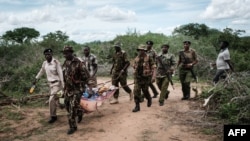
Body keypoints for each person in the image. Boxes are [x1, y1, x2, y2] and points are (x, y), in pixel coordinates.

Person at [61, 46, 90, 134]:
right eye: (64, 53)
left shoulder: (79, 62)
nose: (65, 55)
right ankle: (80, 111)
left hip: (77, 89)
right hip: (68, 89)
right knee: (66, 105)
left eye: (67, 53)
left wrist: (79, 82)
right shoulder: (65, 63)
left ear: (71, 52)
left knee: (72, 108)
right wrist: (64, 89)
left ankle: (73, 127)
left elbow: (87, 76)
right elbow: (65, 77)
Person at [33, 48, 64, 124]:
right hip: (51, 84)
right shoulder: (44, 63)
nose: (47, 56)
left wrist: (63, 85)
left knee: (51, 100)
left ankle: (53, 116)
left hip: (57, 84)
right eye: (46, 55)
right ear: (44, 55)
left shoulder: (56, 63)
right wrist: (36, 78)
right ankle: (62, 103)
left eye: (49, 54)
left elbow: (61, 74)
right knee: (60, 97)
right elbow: (41, 71)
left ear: (52, 55)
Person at [132, 44, 156, 112]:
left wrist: (153, 76)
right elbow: (134, 67)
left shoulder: (149, 57)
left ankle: (149, 98)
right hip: (138, 77)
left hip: (146, 78)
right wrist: (134, 78)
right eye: (140, 50)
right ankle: (137, 106)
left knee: (145, 91)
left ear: (145, 51)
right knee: (136, 91)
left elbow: (154, 67)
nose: (141, 51)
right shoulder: (136, 58)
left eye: (142, 50)